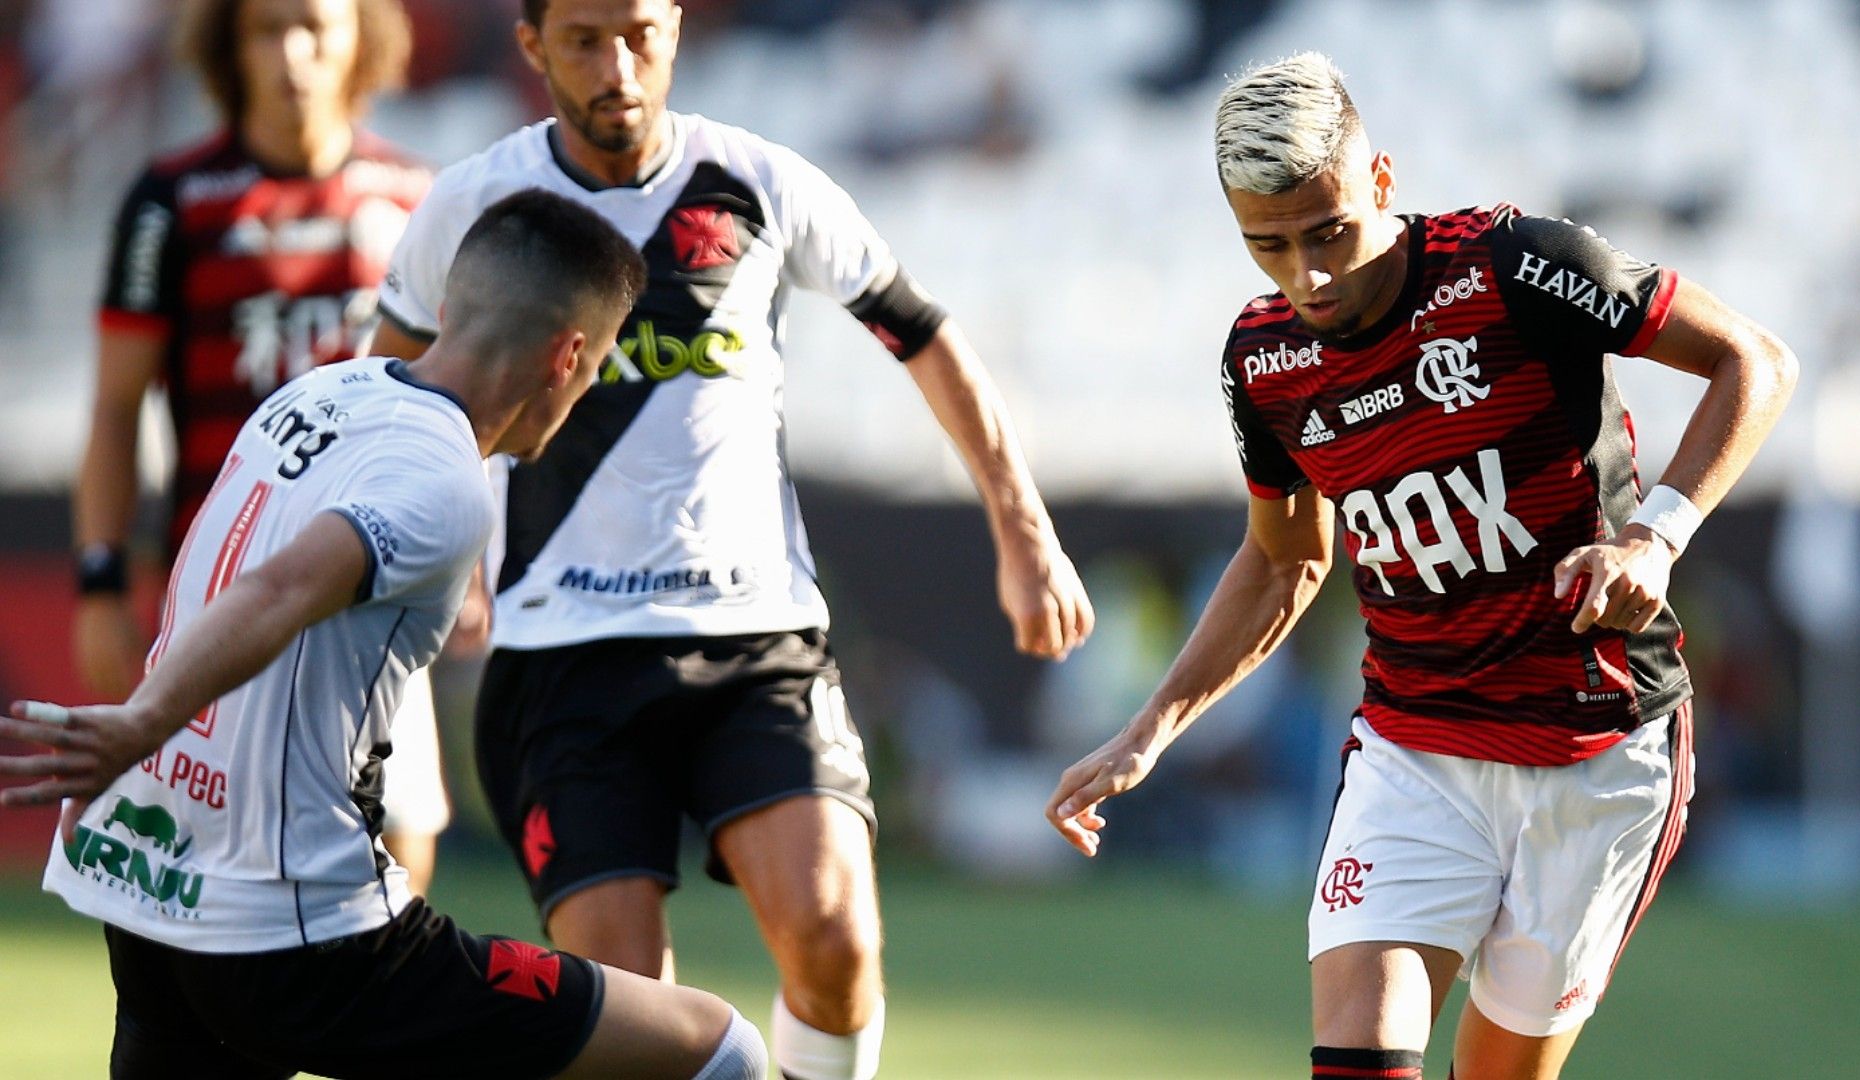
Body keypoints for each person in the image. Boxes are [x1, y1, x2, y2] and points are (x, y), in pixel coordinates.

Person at [369, 3, 1093, 1077]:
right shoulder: (473, 204)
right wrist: (435, 550)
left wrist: (1023, 528)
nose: (616, 65)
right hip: (561, 658)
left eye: (638, 32)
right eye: (581, 38)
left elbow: (925, 335)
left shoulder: (757, 181)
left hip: (757, 641)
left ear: (674, 28)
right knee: (635, 1017)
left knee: (837, 942)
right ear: (530, 46)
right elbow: (387, 394)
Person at [1047, 53, 1796, 1080]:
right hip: (1416, 749)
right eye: (1267, 246)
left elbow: (1754, 360)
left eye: (1329, 233)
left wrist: (1654, 536)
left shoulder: (1516, 264)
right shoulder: (1262, 361)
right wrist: (1149, 730)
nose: (1305, 276)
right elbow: (1281, 567)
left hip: (1594, 746)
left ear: (1383, 183)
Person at [1, 190, 766, 1080]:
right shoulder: (448, 484)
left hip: (150, 879)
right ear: (569, 356)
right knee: (715, 1048)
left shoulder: (319, 392)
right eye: (597, 368)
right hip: (300, 934)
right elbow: (283, 585)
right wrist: (140, 720)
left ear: (446, 311)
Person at [70, 0, 457, 891]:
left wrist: (472, 561)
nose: (292, 52)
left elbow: (453, 413)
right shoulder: (171, 204)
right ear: (226, 45)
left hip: (376, 588)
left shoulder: (415, 200)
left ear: (362, 38)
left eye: (316, 27)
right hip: (224, 591)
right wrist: (99, 577)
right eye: (266, 27)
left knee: (399, 861)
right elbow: (115, 409)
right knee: (216, 876)